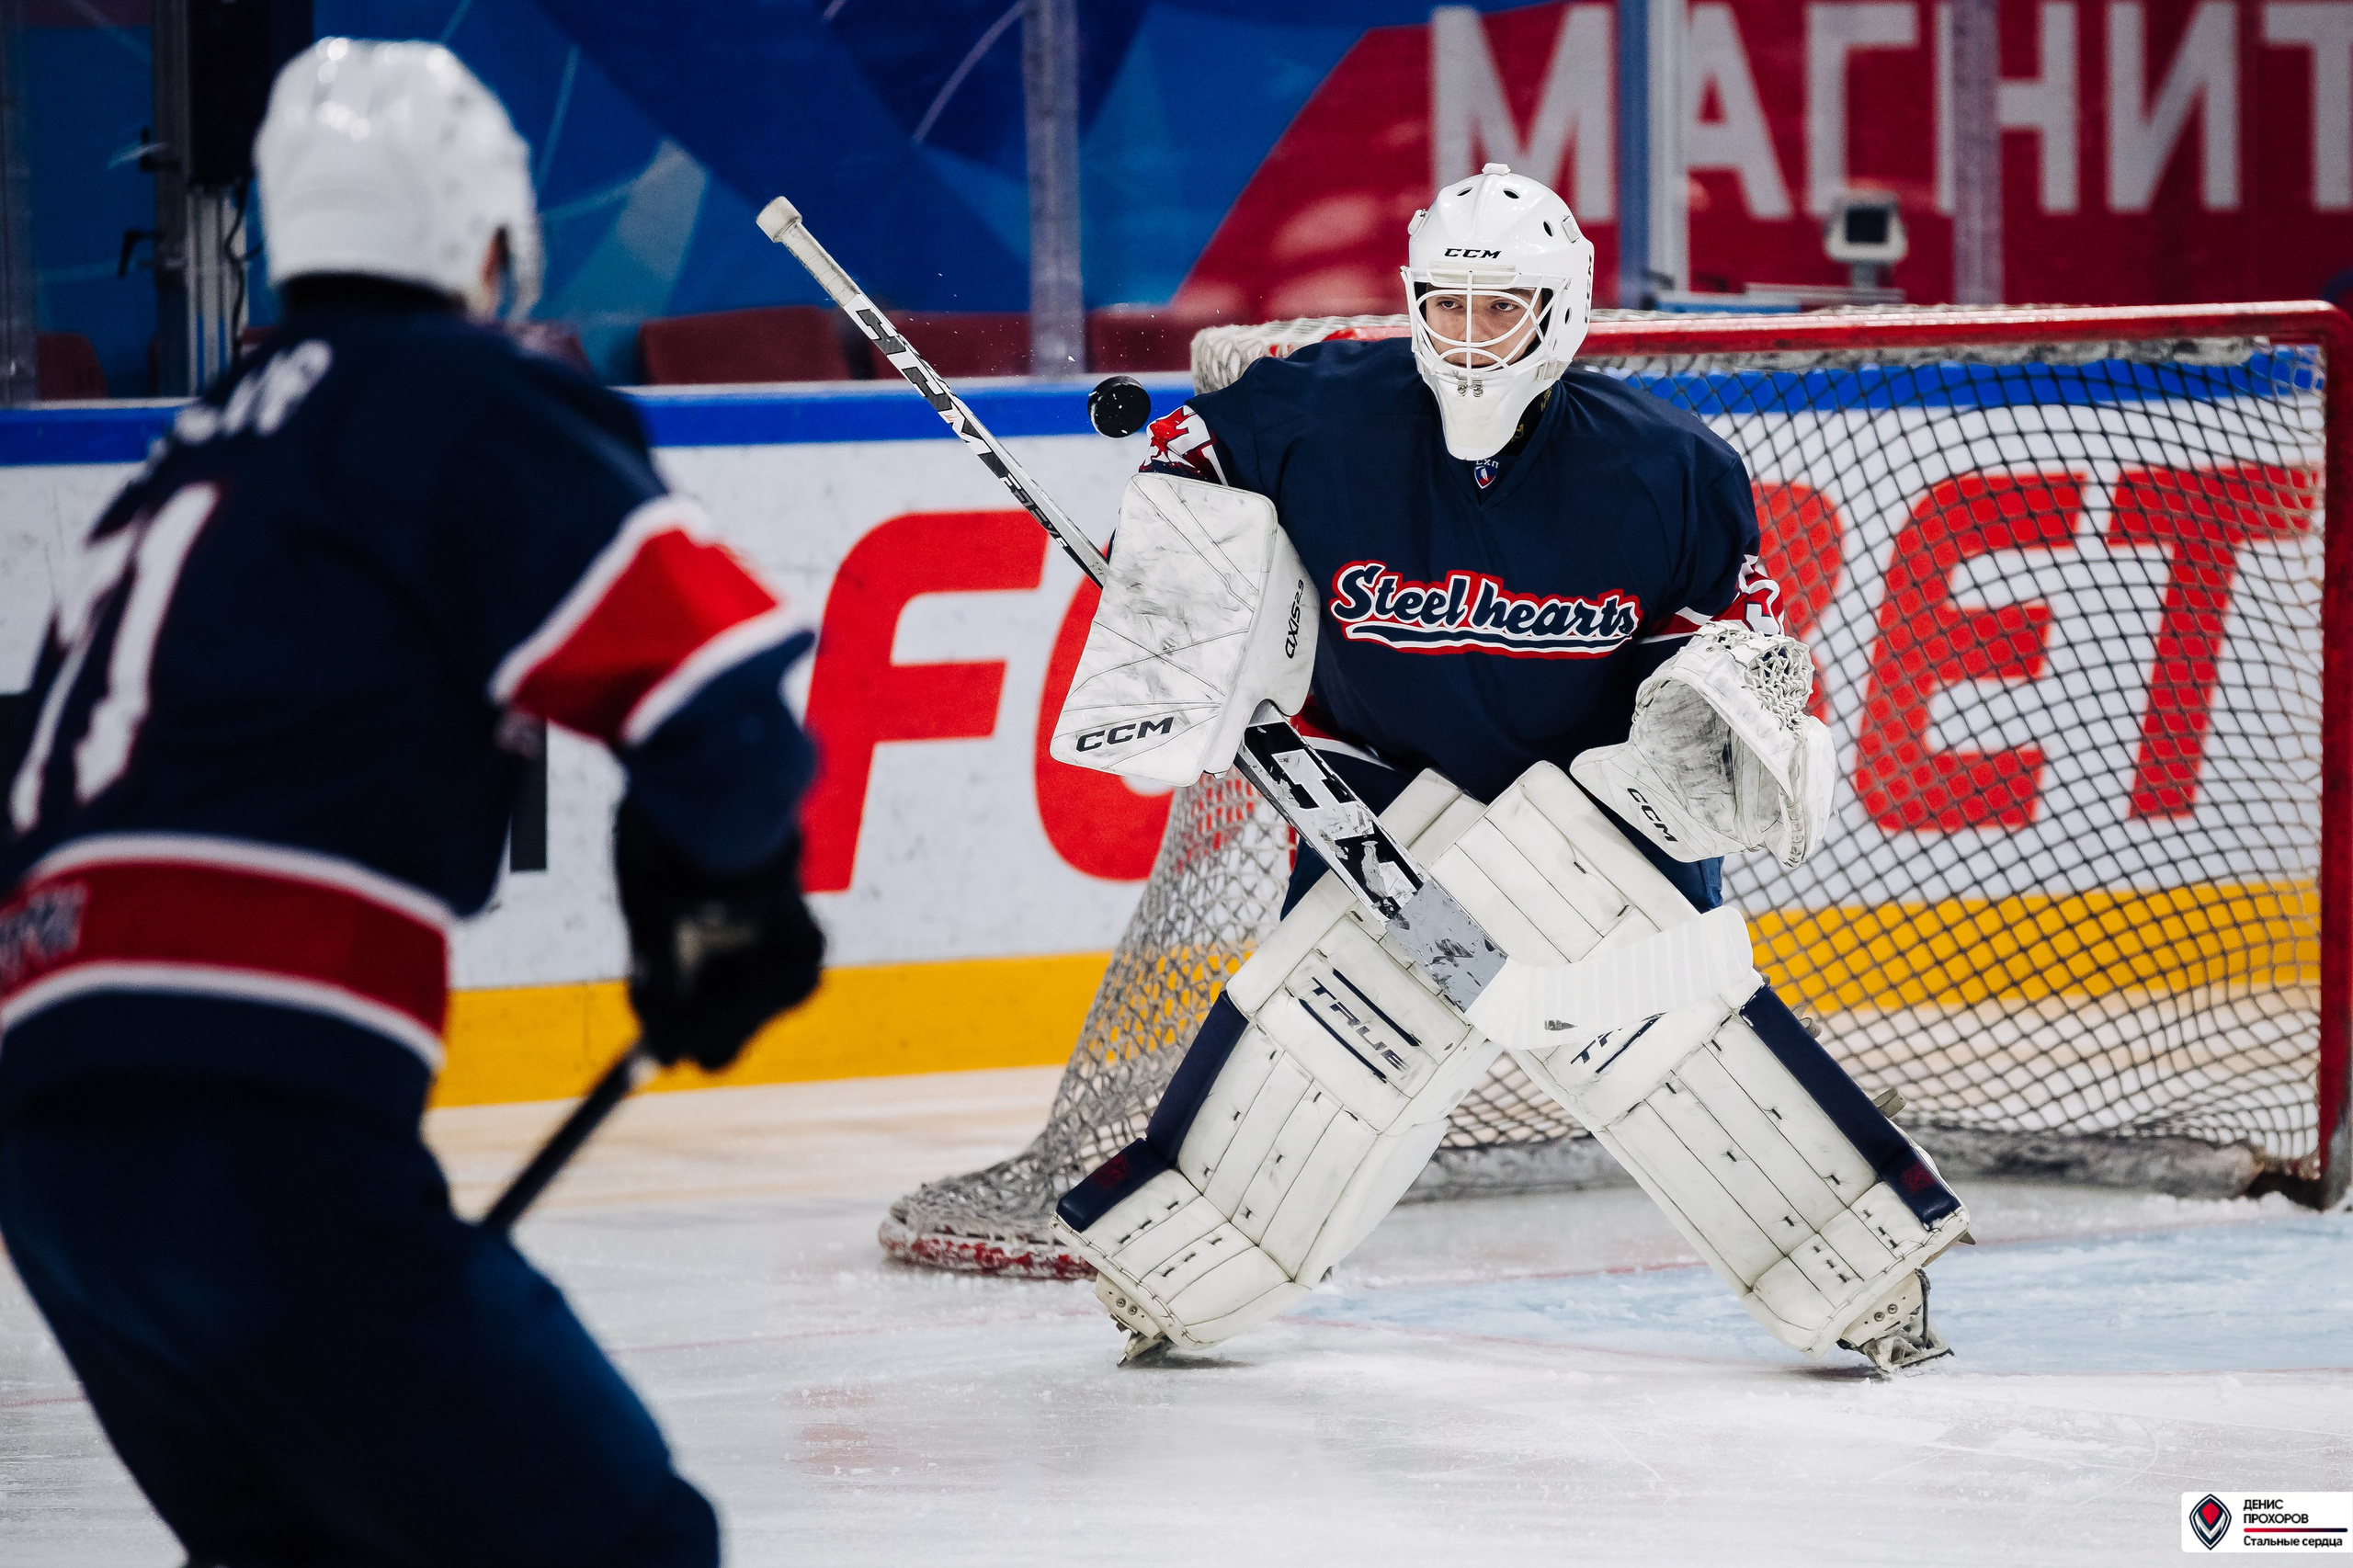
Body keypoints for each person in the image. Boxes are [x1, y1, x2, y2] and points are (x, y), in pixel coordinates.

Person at [0, 40, 821, 1567]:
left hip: (50, 1165)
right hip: (265, 1135)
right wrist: (724, 905)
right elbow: (720, 712)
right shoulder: (468, 398)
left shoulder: (179, 463)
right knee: (626, 1544)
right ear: (488, 241)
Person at [1139, 162, 1784, 918]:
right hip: (1371, 815)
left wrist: (1728, 720)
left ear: (1561, 309)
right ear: (1416, 302)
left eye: (1501, 307)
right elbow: (1187, 454)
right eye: (1449, 304)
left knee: (1676, 995)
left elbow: (1722, 640)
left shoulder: (1671, 468)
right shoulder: (1323, 415)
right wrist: (1172, 605)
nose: (1470, 338)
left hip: (1600, 832)